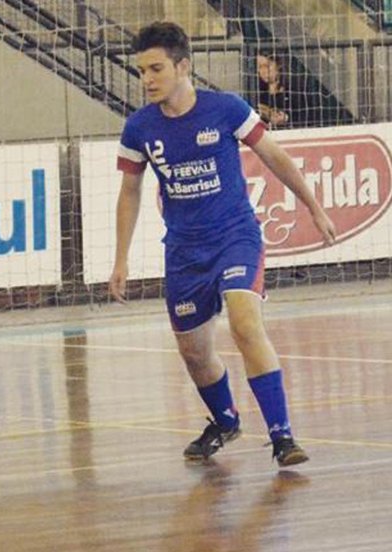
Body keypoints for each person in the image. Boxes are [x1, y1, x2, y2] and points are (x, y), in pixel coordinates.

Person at [109, 23, 337, 467]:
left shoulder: (226, 109)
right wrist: (121, 259)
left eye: (156, 68)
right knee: (194, 352)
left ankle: (283, 436)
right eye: (142, 71)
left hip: (235, 237)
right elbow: (129, 192)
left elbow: (275, 156)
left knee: (245, 323)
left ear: (183, 66)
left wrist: (314, 206)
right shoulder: (139, 128)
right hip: (183, 252)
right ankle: (226, 420)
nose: (148, 79)